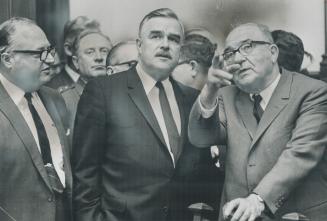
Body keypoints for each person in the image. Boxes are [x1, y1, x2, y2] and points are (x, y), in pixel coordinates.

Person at [188, 23, 327, 221]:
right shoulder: (225, 96)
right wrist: (210, 89)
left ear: (273, 52)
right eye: (230, 53)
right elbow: (201, 138)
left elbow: (300, 154)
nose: (238, 58)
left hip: (297, 215)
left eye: (247, 47)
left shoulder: (313, 92)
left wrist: (257, 199)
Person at [72, 8, 199, 221]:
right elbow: (85, 174)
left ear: (180, 50)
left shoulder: (191, 98)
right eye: (156, 36)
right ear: (139, 45)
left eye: (174, 39)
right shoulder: (103, 91)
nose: (165, 44)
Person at [0, 17, 72, 221]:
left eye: (49, 50)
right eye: (39, 53)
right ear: (8, 59)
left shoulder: (54, 98)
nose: (50, 59)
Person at [59, 30, 112, 135]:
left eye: (104, 51)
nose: (99, 58)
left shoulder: (120, 95)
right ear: (76, 62)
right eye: (90, 52)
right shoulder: (63, 100)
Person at [46, 16, 101, 89]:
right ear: (69, 49)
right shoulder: (51, 89)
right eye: (90, 50)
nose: (99, 57)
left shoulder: (104, 82)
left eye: (101, 49)